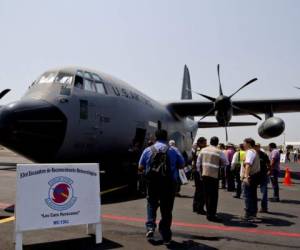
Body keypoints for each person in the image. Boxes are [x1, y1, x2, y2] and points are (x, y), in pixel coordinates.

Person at [138, 129, 185, 244]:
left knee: (151, 205)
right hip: (169, 184)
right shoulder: (173, 150)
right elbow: (182, 164)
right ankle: (165, 233)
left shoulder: (148, 150)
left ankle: (150, 227)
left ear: (155, 137)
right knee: (167, 210)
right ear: (167, 137)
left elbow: (140, 167)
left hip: (153, 183)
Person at [196, 136, 228, 222]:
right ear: (217, 143)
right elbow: (226, 162)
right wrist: (220, 164)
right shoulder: (219, 151)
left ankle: (208, 212)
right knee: (213, 196)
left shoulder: (203, 150)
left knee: (206, 195)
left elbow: (198, 163)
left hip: (205, 174)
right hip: (214, 175)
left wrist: (200, 174)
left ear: (210, 142)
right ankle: (211, 215)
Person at [241, 138, 261, 220]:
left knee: (247, 195)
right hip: (254, 176)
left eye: (244, 143)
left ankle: (248, 214)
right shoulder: (254, 151)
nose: (243, 144)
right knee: (253, 195)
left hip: (250, 176)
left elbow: (248, 164)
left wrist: (246, 177)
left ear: (249, 144)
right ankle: (253, 213)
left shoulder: (249, 152)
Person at [192, 137, 207, 215]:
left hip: (196, 171)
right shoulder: (199, 150)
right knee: (201, 190)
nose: (206, 144)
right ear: (201, 143)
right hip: (199, 172)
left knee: (198, 190)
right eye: (205, 142)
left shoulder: (196, 149)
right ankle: (200, 208)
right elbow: (199, 162)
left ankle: (195, 207)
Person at [255, 143, 270, 213]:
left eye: (257, 146)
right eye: (255, 146)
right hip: (254, 175)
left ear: (259, 147)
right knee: (252, 192)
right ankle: (253, 208)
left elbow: (268, 163)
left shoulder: (263, 155)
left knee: (264, 192)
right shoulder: (252, 154)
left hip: (263, 175)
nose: (256, 148)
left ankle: (264, 207)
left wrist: (269, 171)